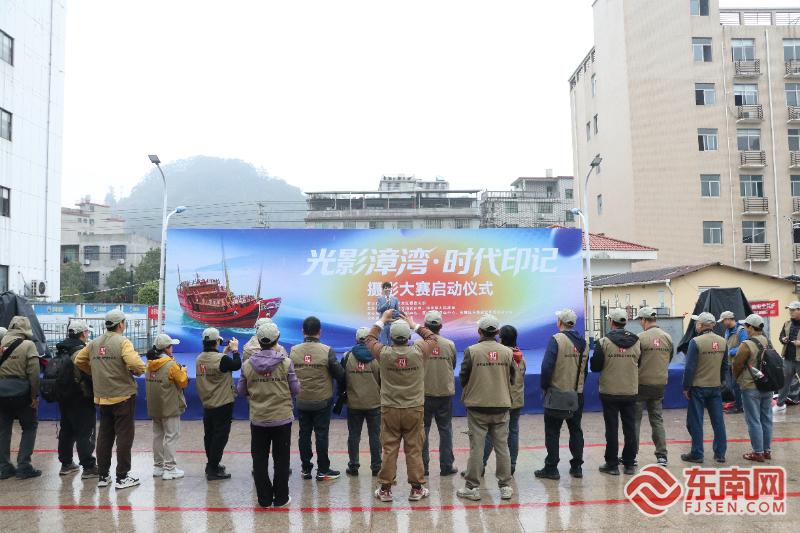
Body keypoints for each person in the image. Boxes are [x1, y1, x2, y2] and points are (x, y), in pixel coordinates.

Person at [364, 309, 437, 502]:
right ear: (408, 336)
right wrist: (414, 325)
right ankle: (416, 489)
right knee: (414, 449)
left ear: (391, 337)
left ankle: (385, 490)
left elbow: (369, 339)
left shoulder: (384, 353)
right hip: (414, 408)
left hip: (390, 408)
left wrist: (382, 320)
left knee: (389, 449)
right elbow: (432, 337)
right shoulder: (419, 352)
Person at [74, 309, 146, 490]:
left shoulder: (94, 343)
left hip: (102, 397)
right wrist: (138, 371)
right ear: (121, 324)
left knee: (104, 436)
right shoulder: (123, 342)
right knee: (124, 437)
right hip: (122, 396)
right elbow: (135, 364)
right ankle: (122, 476)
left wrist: (95, 372)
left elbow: (79, 360)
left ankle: (103, 476)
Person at [238, 322, 300, 508]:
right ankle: (281, 498)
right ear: (277, 339)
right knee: (282, 460)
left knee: (259, 460)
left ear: (258, 340)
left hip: (258, 419)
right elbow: (295, 389)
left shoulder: (247, 365)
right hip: (282, 418)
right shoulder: (286, 363)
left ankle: (264, 499)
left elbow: (241, 391)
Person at [456, 315, 516, 502]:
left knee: (477, 448)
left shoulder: (471, 351)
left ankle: (471, 488)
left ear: (479, 331)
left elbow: (463, 377)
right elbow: (512, 378)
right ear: (497, 332)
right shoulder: (507, 352)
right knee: (502, 447)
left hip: (477, 406)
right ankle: (505, 486)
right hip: (501, 405)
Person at [289, 316, 345, 481]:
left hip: (301, 400)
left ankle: (306, 469)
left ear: (303, 331)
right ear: (320, 331)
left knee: (304, 434)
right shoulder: (327, 350)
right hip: (322, 401)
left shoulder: (293, 351)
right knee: (321, 435)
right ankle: (323, 470)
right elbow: (340, 375)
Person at [535, 309, 587, 480]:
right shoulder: (584, 342)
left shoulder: (556, 339)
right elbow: (584, 371)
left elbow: (546, 367)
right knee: (576, 430)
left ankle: (551, 467)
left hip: (556, 394)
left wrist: (544, 387)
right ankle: (577, 467)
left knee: (552, 431)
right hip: (576, 394)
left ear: (560, 322)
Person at [590, 308, 641, 476]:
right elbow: (639, 362)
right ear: (625, 322)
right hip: (630, 391)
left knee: (611, 429)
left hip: (609, 391)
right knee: (630, 428)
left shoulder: (604, 342)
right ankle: (629, 464)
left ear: (611, 322)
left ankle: (612, 464)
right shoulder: (637, 341)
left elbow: (595, 366)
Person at [680, 312, 728, 464]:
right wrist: (721, 381)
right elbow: (725, 365)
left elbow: (690, 367)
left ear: (700, 325)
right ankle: (720, 453)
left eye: (697, 323)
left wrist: (686, 387)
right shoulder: (722, 341)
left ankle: (697, 453)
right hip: (715, 386)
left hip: (698, 387)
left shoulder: (695, 342)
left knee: (696, 421)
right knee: (718, 421)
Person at [196, 328, 241, 481]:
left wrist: (225, 353)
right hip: (222, 403)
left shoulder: (199, 358)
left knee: (209, 435)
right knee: (220, 436)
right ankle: (213, 469)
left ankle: (211, 464)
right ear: (217, 341)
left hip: (207, 402)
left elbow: (217, 365)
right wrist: (235, 350)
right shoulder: (223, 360)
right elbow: (236, 364)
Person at [0, 316, 41, 480]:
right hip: (22, 394)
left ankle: (4, 467)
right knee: (29, 426)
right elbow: (34, 373)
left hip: (1, 393)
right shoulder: (28, 345)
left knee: (3, 430)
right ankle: (24, 466)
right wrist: (34, 396)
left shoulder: (1, 343)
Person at [55, 320, 98, 479]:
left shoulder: (61, 349)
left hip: (64, 396)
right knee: (85, 432)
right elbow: (90, 373)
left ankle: (66, 464)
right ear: (83, 333)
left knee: (66, 430)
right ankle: (88, 467)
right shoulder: (81, 351)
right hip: (81, 396)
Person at [418, 310, 458, 478]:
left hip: (424, 394)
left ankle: (423, 467)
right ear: (441, 326)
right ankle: (446, 466)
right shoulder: (449, 344)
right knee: (445, 430)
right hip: (444, 393)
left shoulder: (419, 345)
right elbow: (453, 365)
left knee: (423, 431)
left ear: (425, 326)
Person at [633, 307, 674, 467]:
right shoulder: (667, 337)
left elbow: (635, 360)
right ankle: (662, 455)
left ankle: (632, 455)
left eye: (640, 320)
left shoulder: (640, 338)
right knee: (657, 420)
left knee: (635, 420)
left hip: (641, 384)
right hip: (659, 384)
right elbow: (669, 358)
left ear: (644, 320)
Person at [145, 333, 187, 480]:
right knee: (171, 436)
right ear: (167, 348)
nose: (172, 348)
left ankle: (158, 467)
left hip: (154, 406)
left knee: (158, 435)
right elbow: (183, 382)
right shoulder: (171, 365)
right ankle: (170, 468)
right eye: (171, 346)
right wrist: (183, 370)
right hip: (169, 406)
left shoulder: (149, 364)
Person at [484, 325, 524, 477]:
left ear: (500, 339)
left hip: (501, 400)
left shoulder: (501, 355)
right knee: (513, 432)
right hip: (516, 400)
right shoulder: (519, 355)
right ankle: (511, 465)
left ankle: (480, 464)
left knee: (490, 433)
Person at [341, 327, 382, 477]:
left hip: (354, 403)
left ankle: (353, 466)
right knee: (375, 436)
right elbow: (383, 380)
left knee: (354, 435)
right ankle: (376, 467)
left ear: (356, 340)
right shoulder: (378, 356)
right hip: (374, 403)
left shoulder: (347, 357)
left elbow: (342, 379)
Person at [733, 314, 773, 462]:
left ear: (750, 327)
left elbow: (737, 364)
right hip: (768, 385)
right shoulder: (768, 341)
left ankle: (758, 452)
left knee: (754, 420)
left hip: (750, 386)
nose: (744, 328)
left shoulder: (746, 344)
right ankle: (767, 451)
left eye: (746, 326)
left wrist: (738, 379)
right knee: (766, 419)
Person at [719, 311, 747, 414]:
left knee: (736, 385)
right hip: (731, 363)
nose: (722, 323)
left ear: (728, 319)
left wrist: (730, 352)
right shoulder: (727, 331)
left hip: (739, 363)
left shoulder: (741, 330)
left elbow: (745, 346)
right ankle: (738, 404)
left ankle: (740, 407)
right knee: (734, 386)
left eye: (723, 321)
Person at [775, 301, 800, 412]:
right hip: (788, 358)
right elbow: (781, 336)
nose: (790, 312)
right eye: (790, 310)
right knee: (784, 382)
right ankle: (780, 404)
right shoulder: (787, 323)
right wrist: (783, 339)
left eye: (793, 310)